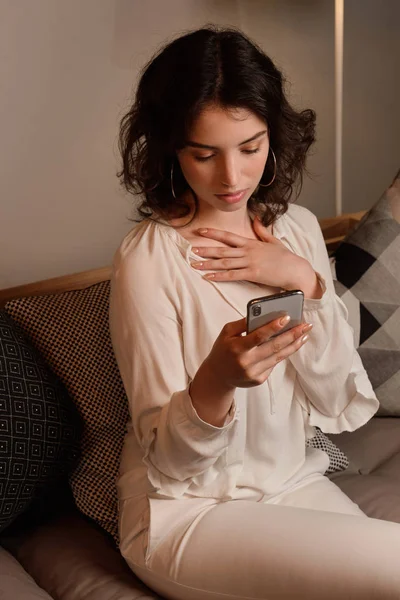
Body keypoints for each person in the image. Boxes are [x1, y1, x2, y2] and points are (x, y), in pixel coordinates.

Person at [109, 26, 400, 600]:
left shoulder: (296, 229)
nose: (232, 178)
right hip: (191, 514)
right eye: (204, 153)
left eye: (250, 147)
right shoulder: (147, 261)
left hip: (295, 481)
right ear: (171, 146)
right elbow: (170, 463)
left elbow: (339, 397)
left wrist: (303, 278)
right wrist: (218, 380)